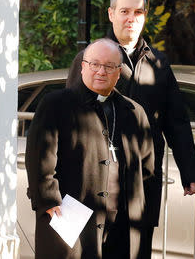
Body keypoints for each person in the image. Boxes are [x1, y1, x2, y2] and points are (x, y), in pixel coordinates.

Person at [66, 0, 195, 258]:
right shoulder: (91, 58)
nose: (131, 18)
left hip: (143, 182)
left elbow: (176, 120)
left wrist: (191, 173)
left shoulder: (159, 64)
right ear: (111, 14)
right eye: (124, 11)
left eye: (138, 12)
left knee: (137, 252)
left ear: (144, 16)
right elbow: (70, 120)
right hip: (97, 181)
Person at [25, 38, 155, 259]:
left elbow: (147, 168)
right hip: (71, 214)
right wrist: (48, 199)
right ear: (83, 66)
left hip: (122, 220)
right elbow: (39, 158)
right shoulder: (57, 104)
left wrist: (140, 209)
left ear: (118, 72)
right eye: (94, 64)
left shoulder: (134, 112)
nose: (101, 71)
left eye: (108, 66)